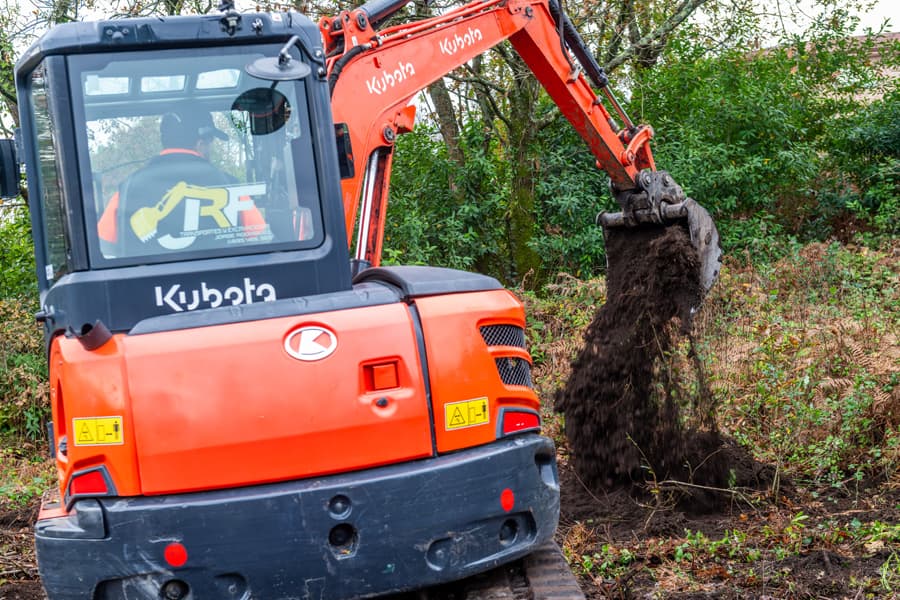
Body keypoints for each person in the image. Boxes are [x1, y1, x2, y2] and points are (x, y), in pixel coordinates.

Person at [97, 107, 267, 256]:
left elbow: (104, 249)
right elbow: (263, 242)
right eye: (211, 143)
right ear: (201, 143)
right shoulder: (229, 186)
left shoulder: (128, 189)